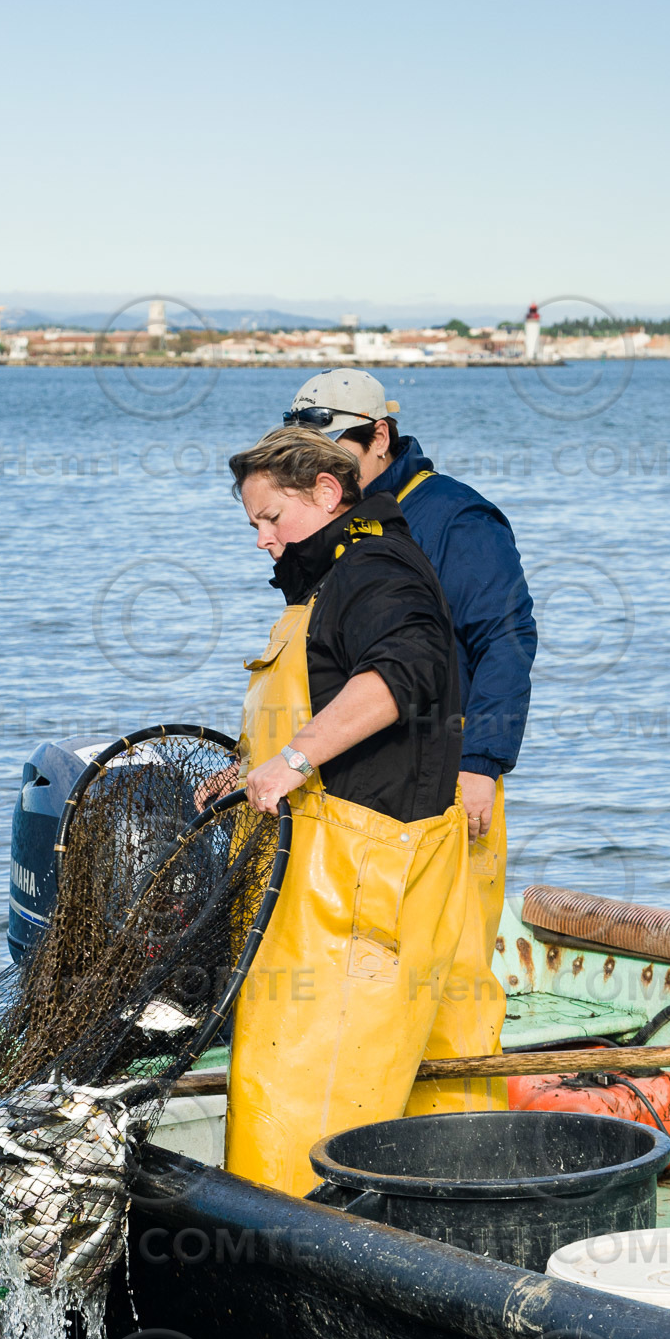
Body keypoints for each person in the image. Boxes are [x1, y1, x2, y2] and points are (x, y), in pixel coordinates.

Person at [280, 368, 536, 1115]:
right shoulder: (335, 524)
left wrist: (483, 764)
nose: (317, 468)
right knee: (363, 994)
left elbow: (507, 637)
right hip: (363, 806)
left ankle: (461, 1157)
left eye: (332, 448)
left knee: (451, 988)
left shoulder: (454, 517)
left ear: (380, 436)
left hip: (452, 789)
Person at [222, 427, 470, 1198]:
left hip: (359, 891)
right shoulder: (329, 578)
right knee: (315, 1080)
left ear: (328, 493)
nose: (264, 541)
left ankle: (295, 1259)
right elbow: (323, 701)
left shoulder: (374, 569)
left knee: (306, 1097)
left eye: (273, 518)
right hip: (320, 885)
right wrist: (250, 771)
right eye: (253, 526)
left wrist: (293, 761)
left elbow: (407, 670)